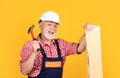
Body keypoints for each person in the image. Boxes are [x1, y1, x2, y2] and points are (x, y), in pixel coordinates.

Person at [20, 10, 95, 78]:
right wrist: (34, 52)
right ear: (40, 25)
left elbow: (79, 48)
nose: (52, 28)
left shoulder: (61, 44)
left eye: (55, 26)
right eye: (49, 24)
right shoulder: (30, 45)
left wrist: (87, 32)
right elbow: (24, 71)